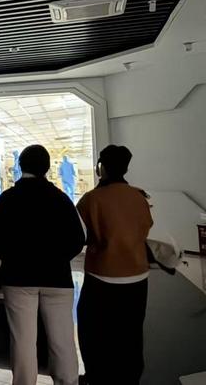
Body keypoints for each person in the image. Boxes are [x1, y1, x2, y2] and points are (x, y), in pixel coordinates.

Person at [0, 145, 85, 385]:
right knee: (62, 340)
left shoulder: (8, 198)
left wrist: (11, 257)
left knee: (23, 340)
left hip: (18, 278)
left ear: (20, 165)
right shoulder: (61, 199)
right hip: (57, 279)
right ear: (48, 168)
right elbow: (77, 239)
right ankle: (67, 381)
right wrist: (57, 258)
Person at [76, 145, 153, 385]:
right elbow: (146, 228)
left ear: (101, 168)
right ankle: (130, 377)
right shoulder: (139, 197)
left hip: (102, 276)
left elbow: (79, 237)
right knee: (131, 332)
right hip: (138, 276)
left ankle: (97, 377)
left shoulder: (91, 199)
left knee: (94, 331)